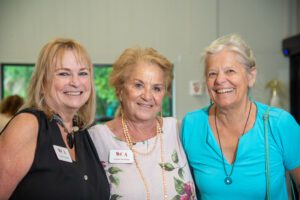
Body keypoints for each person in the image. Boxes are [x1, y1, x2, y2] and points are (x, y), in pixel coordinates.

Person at [181, 33, 300, 199]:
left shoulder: (279, 124)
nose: (220, 80)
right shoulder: (191, 125)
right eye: (212, 73)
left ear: (250, 77)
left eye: (230, 71)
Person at [0, 38, 110, 200]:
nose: (75, 82)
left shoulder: (82, 133)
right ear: (43, 82)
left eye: (83, 73)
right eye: (64, 73)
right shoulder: (28, 125)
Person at [89, 47, 197, 200]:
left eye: (157, 88)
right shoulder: (97, 139)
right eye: (138, 85)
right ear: (120, 90)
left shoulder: (178, 131)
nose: (147, 96)